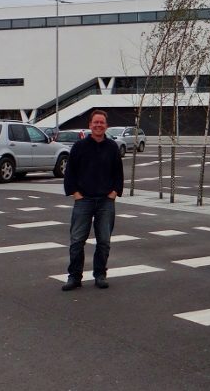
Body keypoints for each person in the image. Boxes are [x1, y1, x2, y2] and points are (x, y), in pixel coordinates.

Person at [61, 109, 124, 291]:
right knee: (77, 241)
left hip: (105, 201)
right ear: (90, 125)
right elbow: (70, 173)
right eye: (95, 122)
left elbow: (118, 174)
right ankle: (74, 277)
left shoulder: (112, 147)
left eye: (101, 123)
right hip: (84, 200)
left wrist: (114, 193)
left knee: (104, 241)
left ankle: (100, 274)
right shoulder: (79, 146)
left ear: (106, 126)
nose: (98, 125)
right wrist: (75, 193)